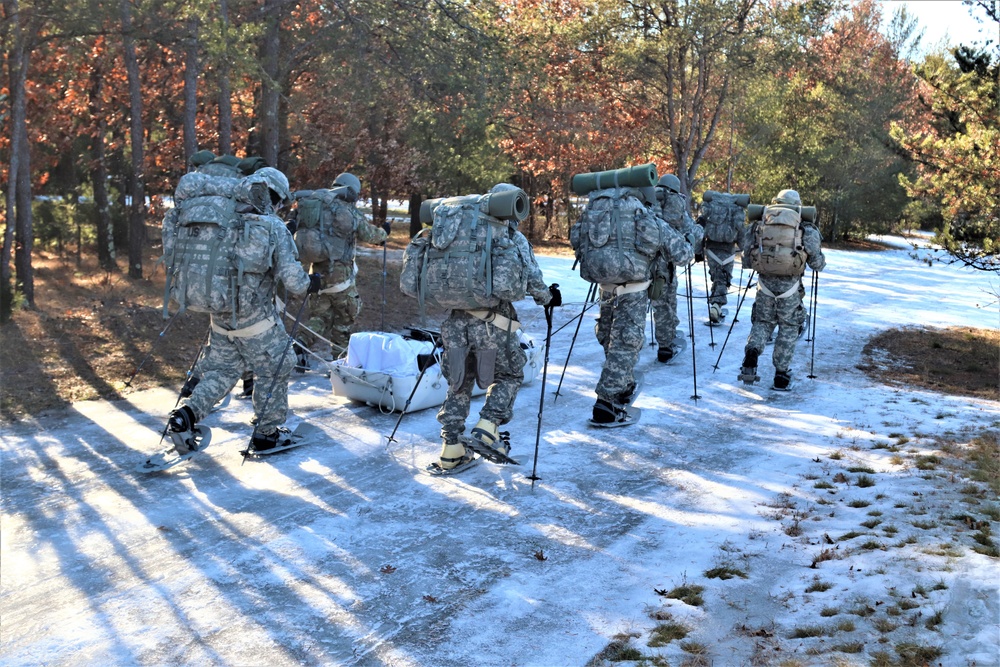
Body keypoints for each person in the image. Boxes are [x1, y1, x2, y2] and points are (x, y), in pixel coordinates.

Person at [164, 167, 322, 454]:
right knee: (277, 365)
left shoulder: (222, 223)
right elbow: (295, 284)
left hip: (221, 320)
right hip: (257, 323)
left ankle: (184, 416)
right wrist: (312, 282)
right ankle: (267, 433)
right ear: (274, 199)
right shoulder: (271, 227)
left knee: (222, 371)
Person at [435, 184, 560, 471]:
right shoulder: (510, 237)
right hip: (493, 322)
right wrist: (547, 297)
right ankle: (488, 425)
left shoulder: (453, 233)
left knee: (459, 380)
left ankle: (451, 449)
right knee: (510, 373)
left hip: (454, 322)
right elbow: (532, 277)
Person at [580, 186, 692, 425]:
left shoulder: (597, 214)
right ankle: (607, 403)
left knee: (608, 334)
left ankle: (622, 381)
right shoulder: (645, 217)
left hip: (606, 285)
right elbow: (683, 254)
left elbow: (577, 242)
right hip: (633, 288)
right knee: (626, 341)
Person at [291, 172, 389, 368]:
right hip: (341, 278)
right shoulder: (347, 211)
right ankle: (339, 363)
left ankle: (300, 345)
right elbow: (371, 235)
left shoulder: (316, 207)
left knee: (320, 317)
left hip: (316, 275)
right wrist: (385, 231)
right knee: (344, 318)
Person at [739, 189, 826, 390]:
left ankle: (752, 354)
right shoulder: (805, 228)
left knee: (762, 322)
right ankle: (781, 375)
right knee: (788, 327)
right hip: (791, 288)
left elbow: (746, 259)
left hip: (764, 286)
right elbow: (817, 264)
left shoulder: (758, 225)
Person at [650, 173, 703, 363]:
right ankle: (665, 346)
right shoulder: (676, 203)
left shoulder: (646, 199)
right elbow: (692, 231)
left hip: (641, 262)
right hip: (665, 263)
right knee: (664, 305)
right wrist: (698, 229)